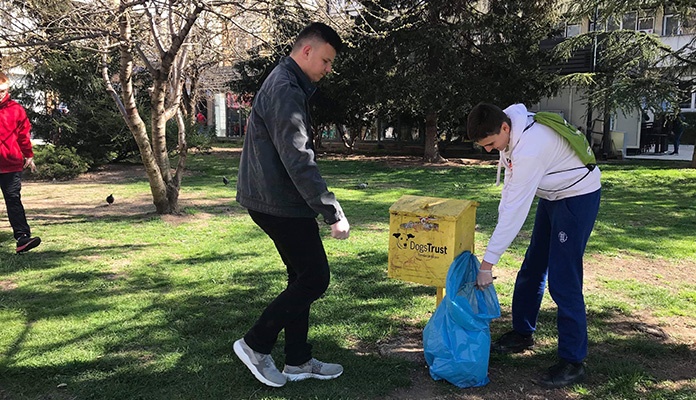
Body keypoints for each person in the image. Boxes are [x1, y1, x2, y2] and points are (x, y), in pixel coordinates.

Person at [234, 22, 350, 388]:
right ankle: (255, 344)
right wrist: (331, 210)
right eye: (326, 61)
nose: (327, 70)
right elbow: (298, 157)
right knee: (315, 278)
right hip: (277, 201)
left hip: (275, 198)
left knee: (300, 276)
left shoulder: (288, 81)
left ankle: (298, 361)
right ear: (306, 51)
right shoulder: (286, 88)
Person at [467, 103, 601, 388]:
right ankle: (522, 332)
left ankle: (573, 361)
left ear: (504, 128)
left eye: (491, 144)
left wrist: (487, 265)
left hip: (577, 195)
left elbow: (516, 211)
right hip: (553, 195)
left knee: (564, 280)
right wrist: (494, 246)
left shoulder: (530, 147)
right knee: (533, 266)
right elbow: (509, 196)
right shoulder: (511, 133)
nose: (490, 151)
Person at [0, 72, 41, 254]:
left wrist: (29, 155)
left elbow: (24, 136)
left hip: (10, 164)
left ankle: (22, 238)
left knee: (13, 200)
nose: (0, 93)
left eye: (3, 90)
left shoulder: (16, 109)